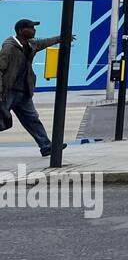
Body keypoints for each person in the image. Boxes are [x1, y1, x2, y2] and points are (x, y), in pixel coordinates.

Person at [0, 19, 74, 160]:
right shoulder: (9, 47)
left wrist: (62, 38)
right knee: (2, 120)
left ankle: (46, 146)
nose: (34, 30)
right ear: (21, 31)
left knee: (32, 119)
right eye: (31, 28)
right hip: (7, 92)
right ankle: (46, 145)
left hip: (24, 92)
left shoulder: (31, 44)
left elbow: (44, 42)